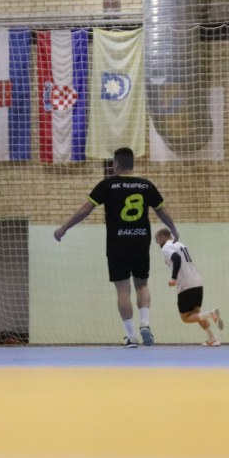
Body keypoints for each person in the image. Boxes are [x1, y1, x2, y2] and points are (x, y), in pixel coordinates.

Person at [54, 147, 179, 347]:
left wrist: (64, 228)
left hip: (117, 244)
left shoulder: (107, 185)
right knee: (142, 285)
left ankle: (130, 336)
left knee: (123, 290)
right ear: (132, 164)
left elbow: (85, 210)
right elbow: (162, 211)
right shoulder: (146, 185)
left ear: (116, 163)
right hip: (140, 242)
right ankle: (145, 323)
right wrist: (173, 229)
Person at [154, 228, 224, 346]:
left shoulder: (166, 247)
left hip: (185, 285)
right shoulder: (180, 244)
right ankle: (213, 338)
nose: (156, 242)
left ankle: (210, 313)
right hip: (197, 281)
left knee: (186, 318)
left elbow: (177, 258)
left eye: (157, 239)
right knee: (196, 313)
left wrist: (173, 278)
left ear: (162, 237)